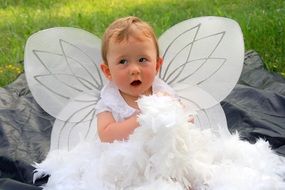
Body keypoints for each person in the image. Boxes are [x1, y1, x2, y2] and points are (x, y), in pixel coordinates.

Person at [95, 16, 176, 143]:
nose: (134, 69)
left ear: (157, 65)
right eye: (123, 61)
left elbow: (187, 119)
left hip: (161, 155)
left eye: (142, 60)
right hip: (123, 159)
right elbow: (106, 135)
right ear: (108, 71)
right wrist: (143, 118)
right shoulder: (109, 102)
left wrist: (171, 110)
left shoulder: (162, 93)